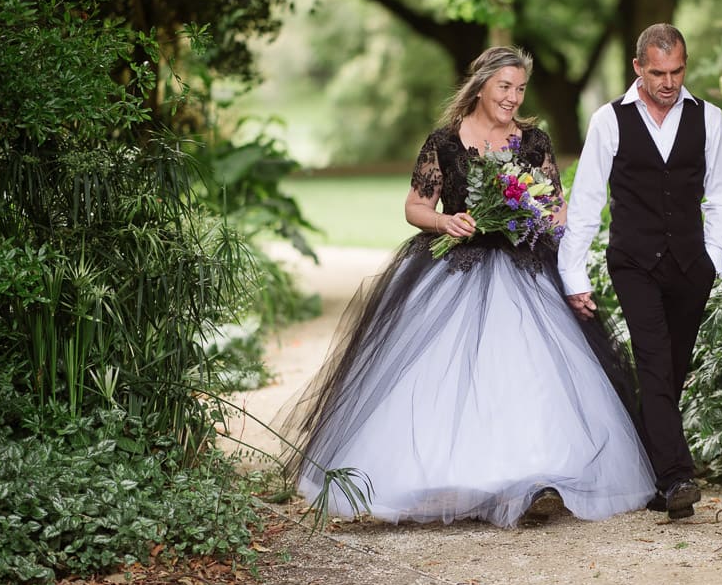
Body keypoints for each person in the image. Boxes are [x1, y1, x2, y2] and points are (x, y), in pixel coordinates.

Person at [280, 46, 656, 527]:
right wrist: (445, 222)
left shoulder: (534, 143)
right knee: (440, 378)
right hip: (454, 270)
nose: (512, 98)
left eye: (520, 89)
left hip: (523, 271)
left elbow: (558, 207)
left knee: (529, 376)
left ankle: (533, 478)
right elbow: (414, 207)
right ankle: (447, 479)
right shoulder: (444, 143)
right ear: (480, 86)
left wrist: (540, 218)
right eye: (505, 87)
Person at [558, 24, 722, 520]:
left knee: (673, 367)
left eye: (677, 70)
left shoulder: (709, 118)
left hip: (691, 264)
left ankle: (648, 472)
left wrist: (712, 257)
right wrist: (574, 275)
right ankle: (677, 477)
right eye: (658, 72)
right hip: (633, 262)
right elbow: (588, 202)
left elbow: (720, 192)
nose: (669, 82)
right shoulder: (609, 121)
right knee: (655, 361)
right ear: (638, 68)